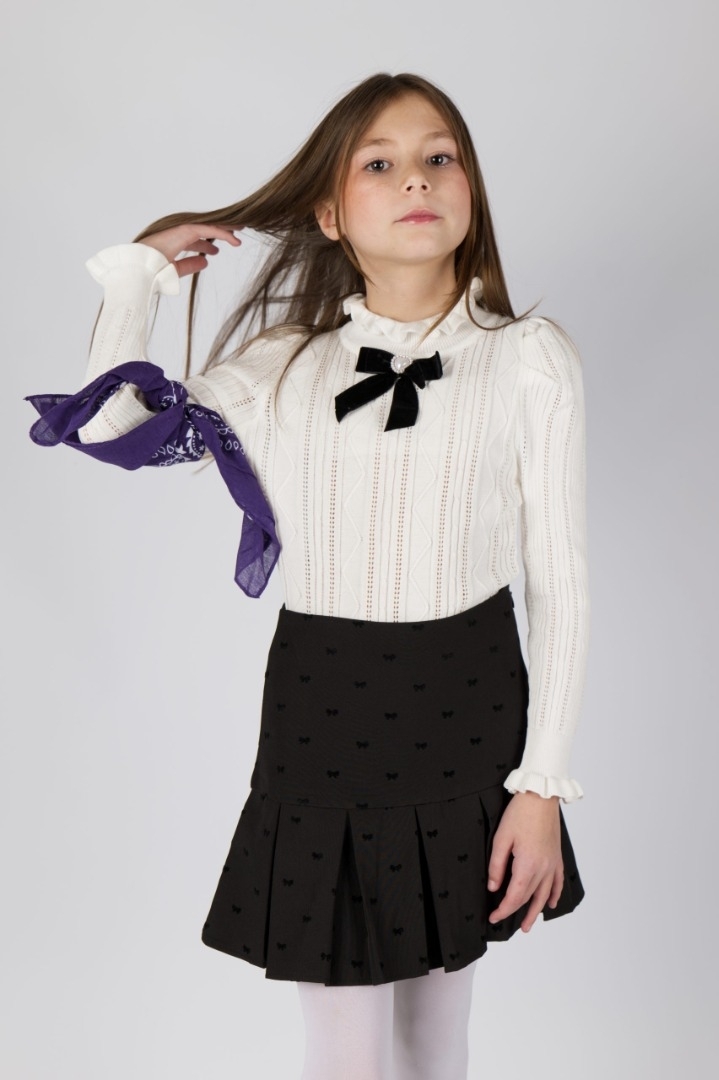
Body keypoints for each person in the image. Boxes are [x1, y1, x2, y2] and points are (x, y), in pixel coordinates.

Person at [26, 72, 590, 1080]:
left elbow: (559, 580)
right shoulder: (283, 364)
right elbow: (109, 427)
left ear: (470, 189)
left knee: (435, 1040)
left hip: (469, 703)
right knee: (343, 1054)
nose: (415, 178)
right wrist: (137, 278)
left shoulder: (529, 358)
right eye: (379, 163)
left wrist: (540, 784)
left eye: (439, 157)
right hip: (326, 704)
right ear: (328, 213)